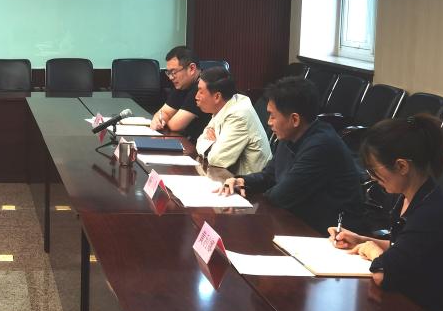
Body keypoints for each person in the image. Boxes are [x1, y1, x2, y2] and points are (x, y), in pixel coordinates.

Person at [328, 114, 443, 311]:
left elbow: (384, 275)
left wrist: (374, 251)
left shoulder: (431, 212)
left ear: (402, 167)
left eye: (373, 170)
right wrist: (361, 240)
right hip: (416, 293)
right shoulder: (411, 196)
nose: (372, 177)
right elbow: (403, 246)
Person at [218, 76, 365, 232]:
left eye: (273, 116)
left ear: (294, 119)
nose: (269, 122)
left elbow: (280, 197)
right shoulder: (290, 135)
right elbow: (269, 175)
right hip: (300, 221)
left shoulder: (321, 146)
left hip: (330, 233)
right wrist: (242, 181)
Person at [194, 67, 272, 178]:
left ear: (217, 97)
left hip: (249, 185)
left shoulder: (239, 114)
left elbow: (217, 159)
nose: (196, 96)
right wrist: (216, 144)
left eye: (201, 91)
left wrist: (213, 144)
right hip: (229, 178)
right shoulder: (224, 105)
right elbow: (201, 139)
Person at [149, 46, 211, 141]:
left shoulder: (202, 87)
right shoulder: (182, 85)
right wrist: (157, 120)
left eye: (174, 72)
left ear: (192, 68)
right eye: (168, 72)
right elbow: (164, 112)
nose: (171, 77)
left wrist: (162, 121)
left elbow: (175, 125)